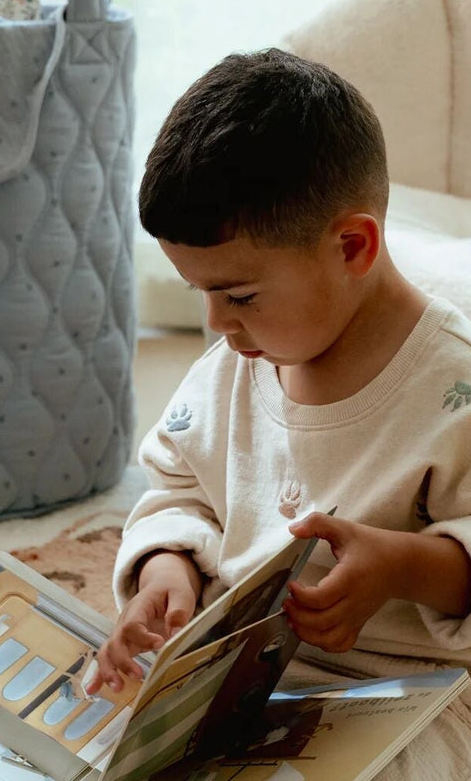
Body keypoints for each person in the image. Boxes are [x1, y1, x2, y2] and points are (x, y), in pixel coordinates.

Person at [87, 48, 471, 777]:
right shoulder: (236, 366)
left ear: (352, 246)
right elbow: (179, 489)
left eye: (238, 296)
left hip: (412, 697)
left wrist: (403, 567)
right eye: (200, 293)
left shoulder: (454, 390)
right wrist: (168, 569)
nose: (216, 323)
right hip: (237, 689)